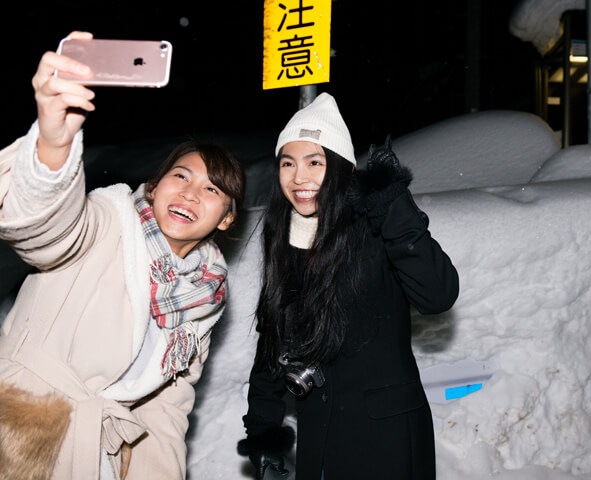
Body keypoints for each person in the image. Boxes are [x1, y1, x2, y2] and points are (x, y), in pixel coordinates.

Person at [0, 32, 246, 479]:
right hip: (16, 434)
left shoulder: (203, 294)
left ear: (226, 218)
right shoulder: (108, 222)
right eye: (181, 176)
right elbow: (47, 230)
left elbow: (167, 407)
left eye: (213, 190)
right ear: (155, 186)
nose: (191, 193)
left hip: (96, 460)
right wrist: (53, 149)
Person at [236, 92, 459, 479]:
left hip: (386, 441)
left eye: (314, 162)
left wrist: (394, 204)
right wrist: (264, 433)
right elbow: (272, 346)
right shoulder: (284, 239)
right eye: (287, 163)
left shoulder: (373, 226)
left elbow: (438, 294)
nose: (299, 177)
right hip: (319, 441)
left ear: (339, 167)